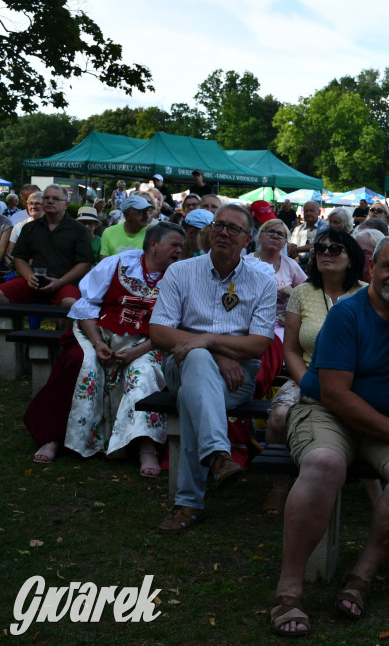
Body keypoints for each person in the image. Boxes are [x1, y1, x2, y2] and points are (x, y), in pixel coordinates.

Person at [270, 235, 389, 636]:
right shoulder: (347, 314)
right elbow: (334, 394)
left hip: (384, 419)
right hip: (328, 412)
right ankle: (288, 590)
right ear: (372, 269)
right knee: (324, 463)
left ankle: (361, 577)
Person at [149, 204, 276, 532]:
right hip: (183, 366)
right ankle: (217, 454)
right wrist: (215, 351)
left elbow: (259, 344)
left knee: (196, 393)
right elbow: (160, 332)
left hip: (239, 378)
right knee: (197, 362)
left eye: (233, 229)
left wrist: (204, 340)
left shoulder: (262, 279)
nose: (223, 232)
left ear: (247, 239)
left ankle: (189, 502)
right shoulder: (181, 271)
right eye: (219, 225)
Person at [25, 223, 186, 468]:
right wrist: (98, 342)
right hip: (100, 333)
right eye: (175, 244)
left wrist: (136, 351)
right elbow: (86, 306)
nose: (180, 251)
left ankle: (146, 445)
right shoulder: (118, 263)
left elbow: (175, 327)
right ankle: (55, 436)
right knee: (82, 363)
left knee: (143, 372)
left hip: (149, 343)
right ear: (153, 245)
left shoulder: (181, 276)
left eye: (181, 247)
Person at [261, 228, 366, 518]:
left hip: (353, 379)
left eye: (335, 249)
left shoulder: (366, 294)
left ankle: (373, 488)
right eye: (320, 248)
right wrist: (306, 381)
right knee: (280, 414)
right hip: (306, 373)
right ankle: (280, 486)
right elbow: (291, 350)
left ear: (351, 257)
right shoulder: (302, 293)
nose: (325, 253)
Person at [0, 185, 92, 308]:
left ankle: (63, 328)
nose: (50, 201)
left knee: (70, 303)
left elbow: (85, 263)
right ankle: (14, 326)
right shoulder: (29, 228)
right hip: (33, 281)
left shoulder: (79, 229)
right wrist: (29, 276)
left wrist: (61, 281)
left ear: (66, 204)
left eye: (55, 198)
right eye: (46, 198)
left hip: (65, 282)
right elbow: (19, 258)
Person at [247, 218, 307, 341]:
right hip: (250, 323)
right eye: (270, 231)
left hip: (283, 324)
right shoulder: (247, 262)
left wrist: (294, 293)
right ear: (259, 237)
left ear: (285, 243)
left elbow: (308, 293)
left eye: (280, 234)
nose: (275, 236)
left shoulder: (291, 264)